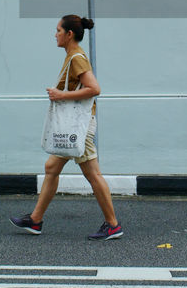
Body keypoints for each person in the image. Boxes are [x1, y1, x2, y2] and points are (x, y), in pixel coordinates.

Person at [10, 15, 123, 240]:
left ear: (69, 34)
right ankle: (35, 220)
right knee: (52, 167)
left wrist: (62, 94)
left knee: (93, 175)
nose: (55, 34)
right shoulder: (72, 56)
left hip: (81, 128)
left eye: (58, 30)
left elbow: (95, 88)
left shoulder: (77, 58)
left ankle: (113, 225)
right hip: (75, 127)